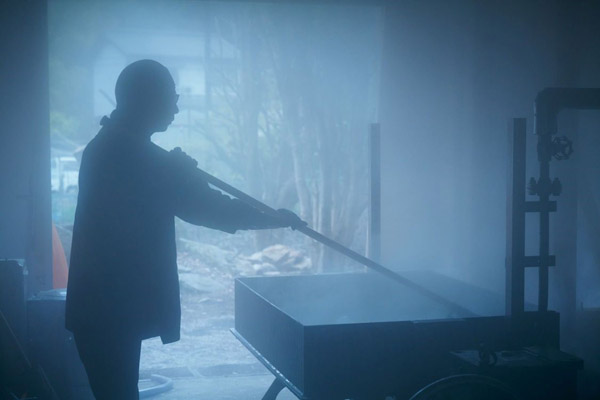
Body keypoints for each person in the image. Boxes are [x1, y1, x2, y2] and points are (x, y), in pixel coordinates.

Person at [65, 59, 304, 400]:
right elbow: (208, 208)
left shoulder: (113, 147)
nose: (176, 108)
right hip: (109, 308)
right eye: (171, 98)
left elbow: (179, 194)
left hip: (104, 307)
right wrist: (273, 218)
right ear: (146, 99)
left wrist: (174, 172)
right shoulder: (135, 157)